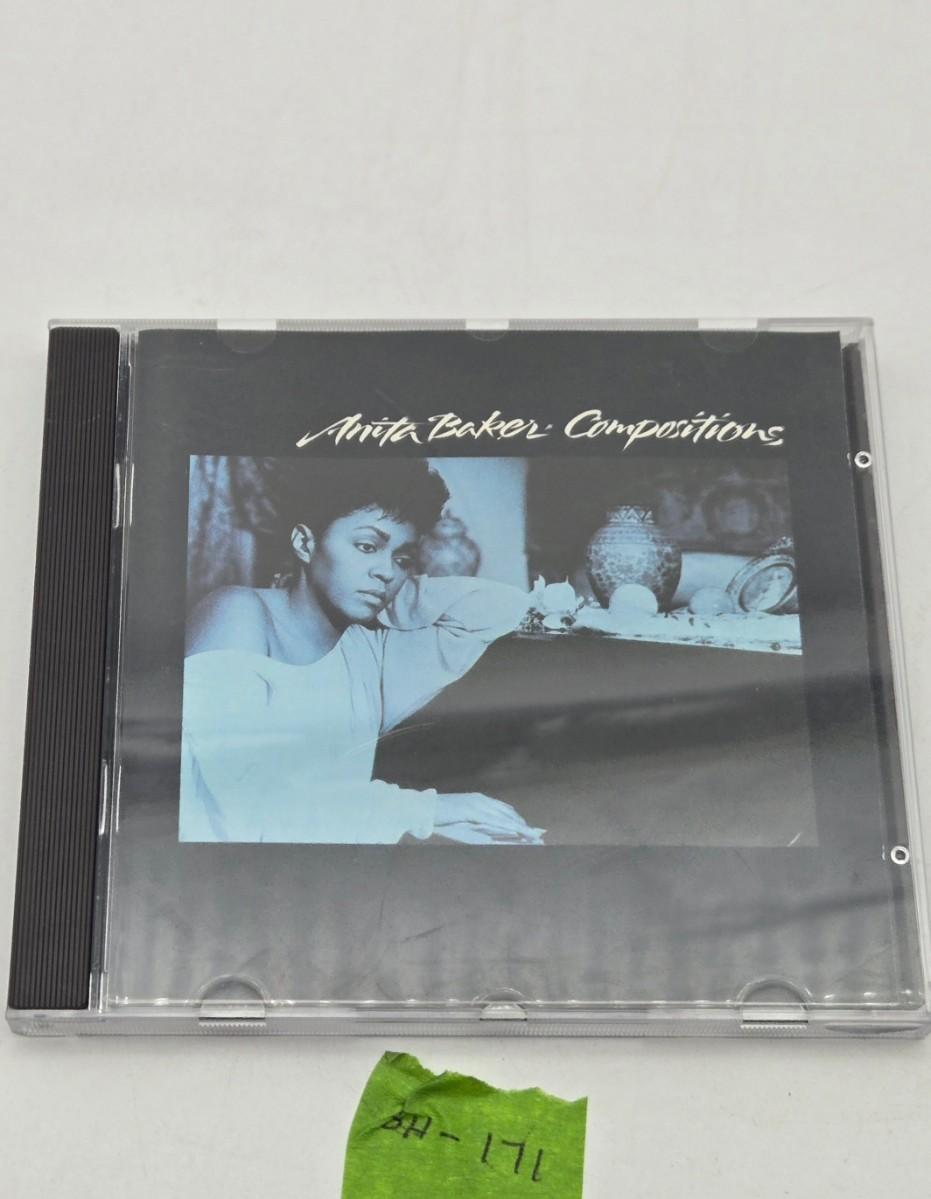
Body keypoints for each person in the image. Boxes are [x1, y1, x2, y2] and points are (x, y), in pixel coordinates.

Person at [179, 458, 543, 845]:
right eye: (367, 546)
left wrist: (401, 594)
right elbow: (248, 805)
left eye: (403, 559)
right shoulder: (237, 613)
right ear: (305, 543)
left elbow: (497, 610)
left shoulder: (367, 647)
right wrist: (430, 809)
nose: (387, 572)